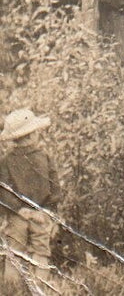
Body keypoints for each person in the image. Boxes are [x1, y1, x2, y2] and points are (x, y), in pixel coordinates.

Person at [0, 108, 58, 295]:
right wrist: (49, 210)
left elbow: (3, 189)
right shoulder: (45, 157)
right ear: (32, 134)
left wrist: (17, 208)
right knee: (41, 252)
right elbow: (55, 187)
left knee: (14, 253)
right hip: (41, 213)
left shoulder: (6, 160)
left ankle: (11, 290)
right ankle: (40, 288)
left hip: (18, 215)